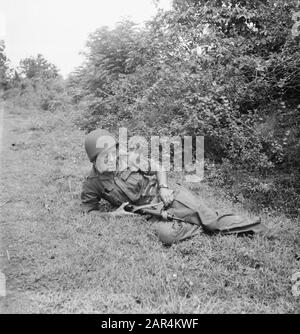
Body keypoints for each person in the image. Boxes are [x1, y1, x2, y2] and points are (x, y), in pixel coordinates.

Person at [81, 129, 271, 245]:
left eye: (113, 153)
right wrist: (113, 215)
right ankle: (200, 224)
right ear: (94, 160)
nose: (112, 159)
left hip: (167, 195)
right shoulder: (92, 183)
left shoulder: (128, 158)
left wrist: (163, 187)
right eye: (105, 157)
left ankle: (263, 230)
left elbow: (158, 167)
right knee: (166, 236)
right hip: (149, 212)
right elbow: (89, 212)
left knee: (212, 221)